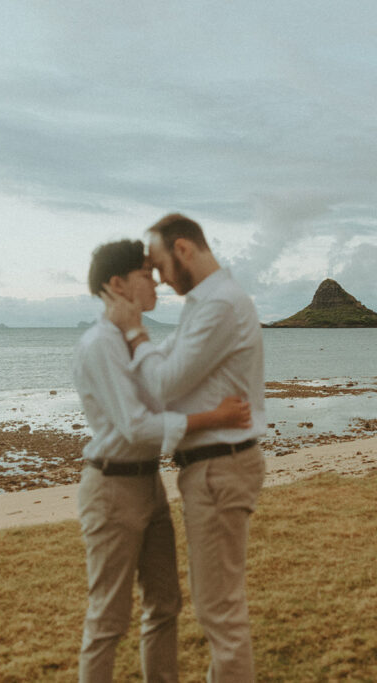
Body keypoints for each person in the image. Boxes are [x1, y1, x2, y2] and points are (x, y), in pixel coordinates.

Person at [74, 239, 252, 683]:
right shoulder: (100, 344)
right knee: (108, 620)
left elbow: (163, 394)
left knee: (164, 604)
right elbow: (137, 426)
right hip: (112, 488)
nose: (155, 281)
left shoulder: (132, 339)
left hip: (148, 483)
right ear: (117, 284)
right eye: (145, 275)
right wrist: (215, 416)